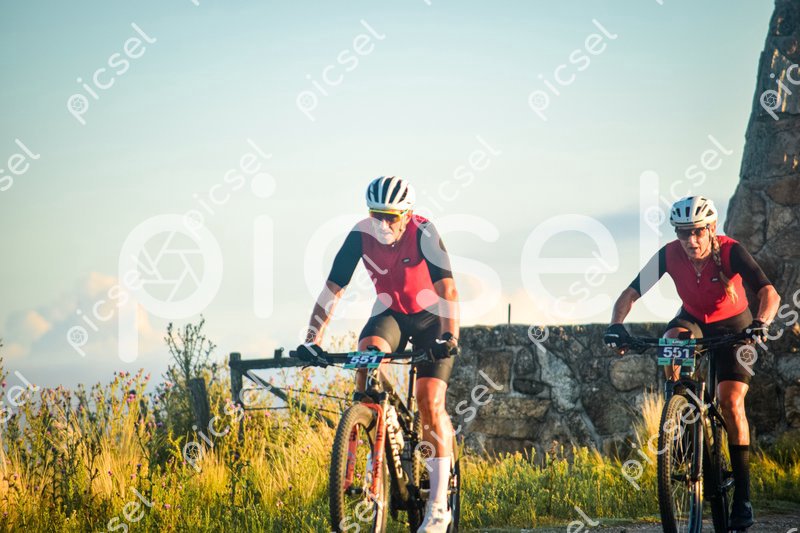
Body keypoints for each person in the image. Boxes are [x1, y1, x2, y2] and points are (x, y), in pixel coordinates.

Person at [603, 195, 780, 530]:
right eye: (683, 232)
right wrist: (616, 326)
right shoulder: (669, 254)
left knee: (730, 401)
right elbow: (630, 293)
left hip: (736, 327)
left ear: (711, 228)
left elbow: (769, 293)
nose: (691, 239)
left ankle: (742, 497)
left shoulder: (730, 251)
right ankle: (681, 413)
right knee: (672, 339)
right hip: (694, 320)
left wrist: (761, 322)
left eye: (697, 231)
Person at [297, 176, 460, 533]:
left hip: (433, 319)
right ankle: (370, 434)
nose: (383, 224)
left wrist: (449, 336)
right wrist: (312, 339)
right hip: (391, 313)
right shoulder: (360, 234)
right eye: (376, 215)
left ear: (407, 215)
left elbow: (447, 287)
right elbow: (332, 289)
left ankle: (437, 507)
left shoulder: (424, 232)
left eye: (390, 217)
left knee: (429, 399)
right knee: (365, 359)